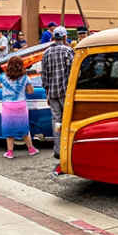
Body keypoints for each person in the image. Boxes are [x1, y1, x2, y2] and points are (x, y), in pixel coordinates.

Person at [0, 55, 39, 159]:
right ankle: (31, 149)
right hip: (21, 105)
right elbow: (31, 91)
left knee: (9, 129)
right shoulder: (25, 77)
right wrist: (22, 89)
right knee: (24, 128)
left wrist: (3, 86)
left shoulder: (3, 76)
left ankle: (9, 152)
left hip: (7, 106)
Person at [41, 26, 73, 160]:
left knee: (56, 121)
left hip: (52, 92)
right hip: (67, 92)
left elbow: (44, 75)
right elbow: (72, 72)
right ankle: (68, 148)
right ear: (65, 37)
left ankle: (58, 150)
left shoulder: (46, 52)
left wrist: (47, 92)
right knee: (68, 120)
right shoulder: (68, 50)